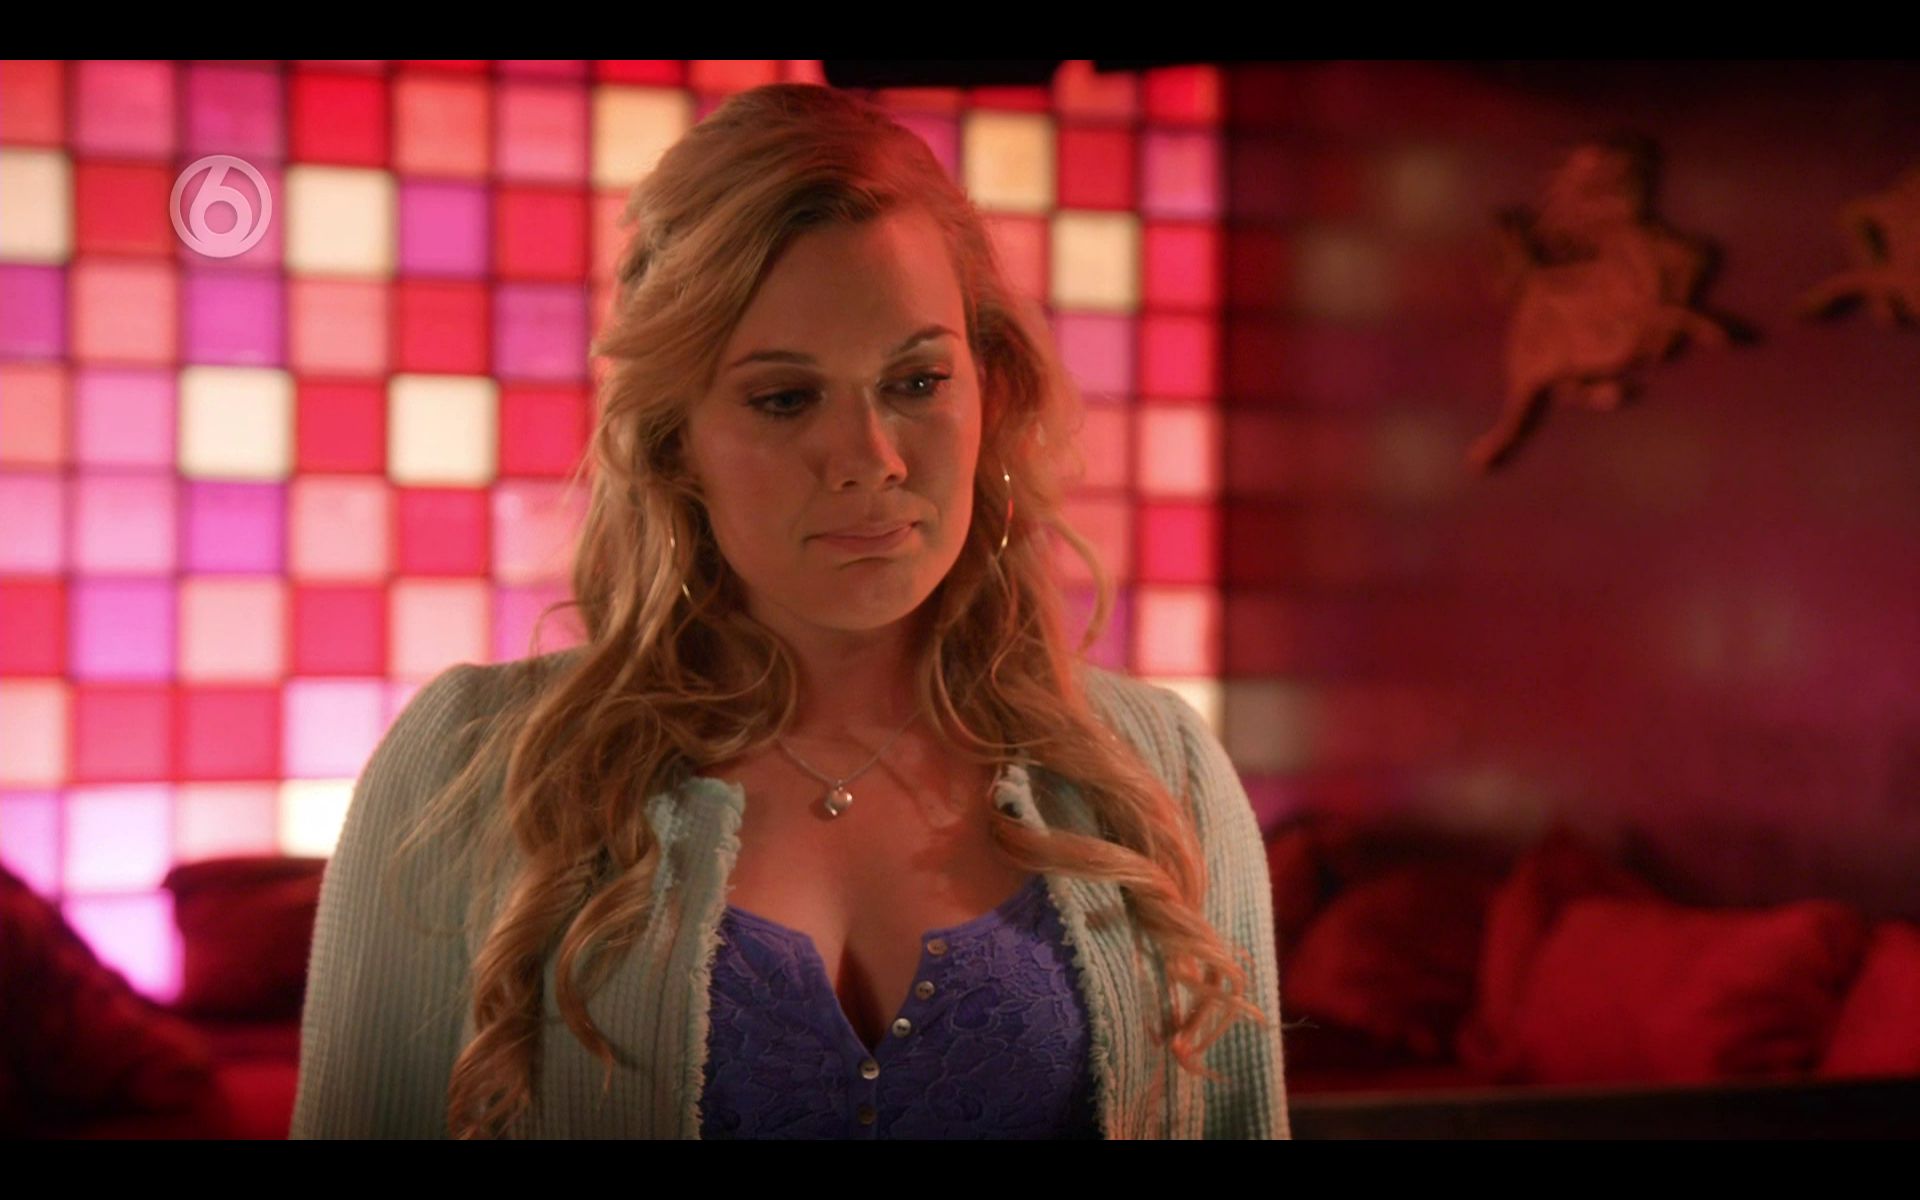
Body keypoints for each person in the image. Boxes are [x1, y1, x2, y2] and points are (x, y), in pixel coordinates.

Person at [291, 82, 1288, 1140]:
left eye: (917, 382)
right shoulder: (471, 765)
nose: (870, 459)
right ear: (675, 440)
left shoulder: (1158, 772)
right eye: (784, 398)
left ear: (989, 390)